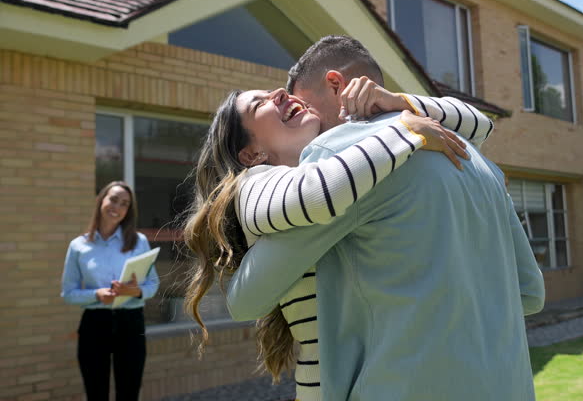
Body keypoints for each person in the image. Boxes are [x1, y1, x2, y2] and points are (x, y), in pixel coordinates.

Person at [226, 35, 546, 401]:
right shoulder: (477, 160)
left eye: (302, 100)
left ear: (335, 84)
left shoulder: (339, 157)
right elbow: (530, 293)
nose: (295, 106)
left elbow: (246, 299)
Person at [183, 73, 491, 400]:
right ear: (251, 154)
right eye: (260, 103)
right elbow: (316, 194)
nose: (279, 93)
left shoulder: (354, 164)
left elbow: (480, 125)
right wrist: (407, 130)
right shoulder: (253, 185)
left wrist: (398, 102)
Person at [61, 181, 160, 401]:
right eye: (113, 199)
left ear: (128, 211)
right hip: (94, 325)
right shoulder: (78, 246)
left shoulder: (138, 241)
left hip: (131, 324)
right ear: (101, 200)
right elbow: (68, 293)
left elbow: (152, 285)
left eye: (124, 203)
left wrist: (134, 292)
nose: (117, 206)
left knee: (129, 392)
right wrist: (96, 295)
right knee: (95, 393)